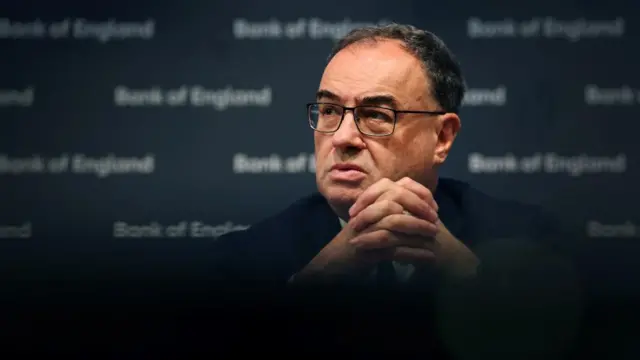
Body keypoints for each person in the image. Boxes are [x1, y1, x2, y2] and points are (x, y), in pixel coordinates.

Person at [209, 24, 586, 358]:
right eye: (328, 111)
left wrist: (467, 275)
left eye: (376, 115)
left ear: (442, 137)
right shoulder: (245, 258)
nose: (342, 138)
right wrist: (319, 281)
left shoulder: (527, 240)